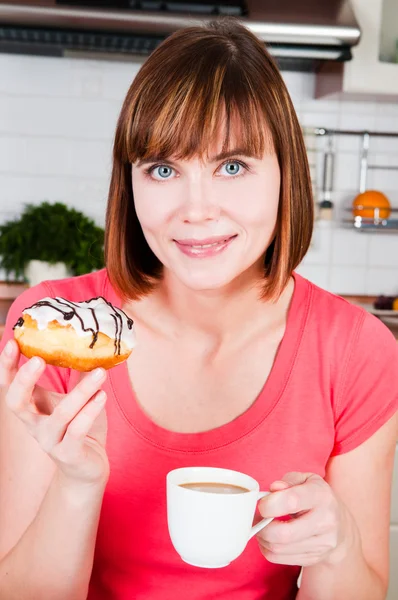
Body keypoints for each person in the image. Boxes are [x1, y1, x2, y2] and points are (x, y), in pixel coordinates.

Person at [0, 18, 397, 600]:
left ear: (286, 173)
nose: (196, 209)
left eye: (232, 167)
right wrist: (77, 482)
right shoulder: (55, 327)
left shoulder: (356, 351)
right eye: (163, 170)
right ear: (129, 184)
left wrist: (334, 547)